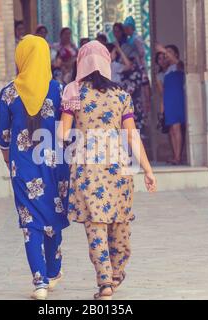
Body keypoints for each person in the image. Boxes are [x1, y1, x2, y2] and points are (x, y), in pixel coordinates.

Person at [58, 41, 157, 300]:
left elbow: (63, 134)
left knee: (96, 227)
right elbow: (133, 137)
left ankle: (105, 284)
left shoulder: (73, 93)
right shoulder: (121, 96)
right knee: (119, 225)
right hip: (119, 169)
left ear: (81, 62)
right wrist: (148, 170)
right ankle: (116, 274)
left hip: (87, 170)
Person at [0, 35, 70, 300]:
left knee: (31, 224)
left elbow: (3, 136)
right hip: (54, 166)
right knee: (53, 217)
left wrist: (12, 163)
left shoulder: (8, 93)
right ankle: (52, 271)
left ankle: (39, 281)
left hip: (23, 167)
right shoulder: (58, 90)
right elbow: (67, 130)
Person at [155, 44, 186, 165]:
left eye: (169, 53)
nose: (166, 55)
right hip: (169, 101)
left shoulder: (178, 66)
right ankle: (175, 155)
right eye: (164, 53)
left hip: (177, 100)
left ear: (176, 55)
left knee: (177, 128)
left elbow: (178, 62)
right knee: (172, 130)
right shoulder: (167, 71)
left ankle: (178, 157)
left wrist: (163, 50)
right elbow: (162, 93)